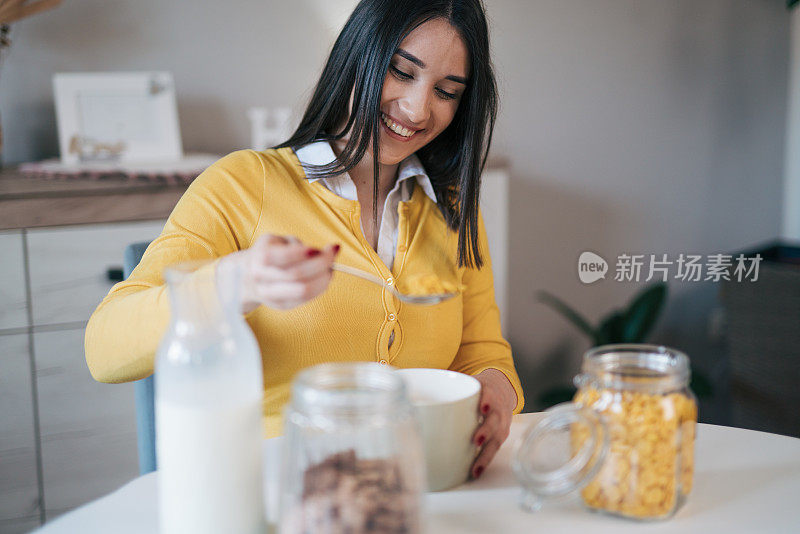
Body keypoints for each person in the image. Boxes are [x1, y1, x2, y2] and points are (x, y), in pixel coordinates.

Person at [85, 0, 523, 480]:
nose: (418, 109)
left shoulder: (455, 207)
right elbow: (105, 350)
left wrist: (496, 388)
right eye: (401, 72)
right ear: (359, 53)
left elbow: (481, 348)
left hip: (411, 487)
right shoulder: (244, 185)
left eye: (446, 91)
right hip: (273, 487)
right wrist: (236, 283)